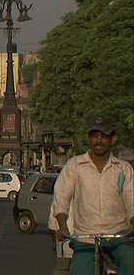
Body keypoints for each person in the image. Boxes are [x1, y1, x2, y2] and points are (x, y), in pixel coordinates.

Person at [52, 115, 134, 275]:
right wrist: (62, 225)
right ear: (88, 138)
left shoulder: (123, 168)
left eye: (104, 136)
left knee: (130, 262)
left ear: (113, 140)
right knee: (80, 270)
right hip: (85, 237)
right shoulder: (75, 166)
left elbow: (131, 198)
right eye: (94, 136)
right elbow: (61, 197)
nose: (99, 140)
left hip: (117, 236)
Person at [48, 201, 75, 275]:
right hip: (83, 244)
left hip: (64, 244)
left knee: (62, 270)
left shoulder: (59, 201)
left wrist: (53, 243)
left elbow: (52, 225)